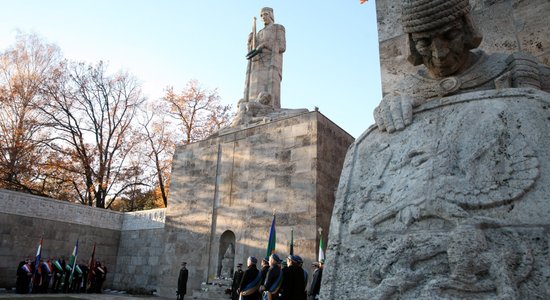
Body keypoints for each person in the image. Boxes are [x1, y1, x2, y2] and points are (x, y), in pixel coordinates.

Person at [374, 0, 550, 133]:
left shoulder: (518, 70)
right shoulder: (402, 95)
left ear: (467, 29)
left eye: (450, 35)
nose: (440, 53)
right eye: (424, 42)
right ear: (412, 44)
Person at [244, 7, 286, 109]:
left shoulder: (278, 28)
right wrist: (249, 43)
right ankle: (252, 110)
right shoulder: (258, 33)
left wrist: (265, 45)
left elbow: (282, 47)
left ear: (271, 15)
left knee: (269, 93)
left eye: (265, 14)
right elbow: (251, 52)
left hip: (270, 64)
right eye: (261, 15)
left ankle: (269, 108)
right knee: (253, 96)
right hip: (256, 66)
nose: (263, 17)